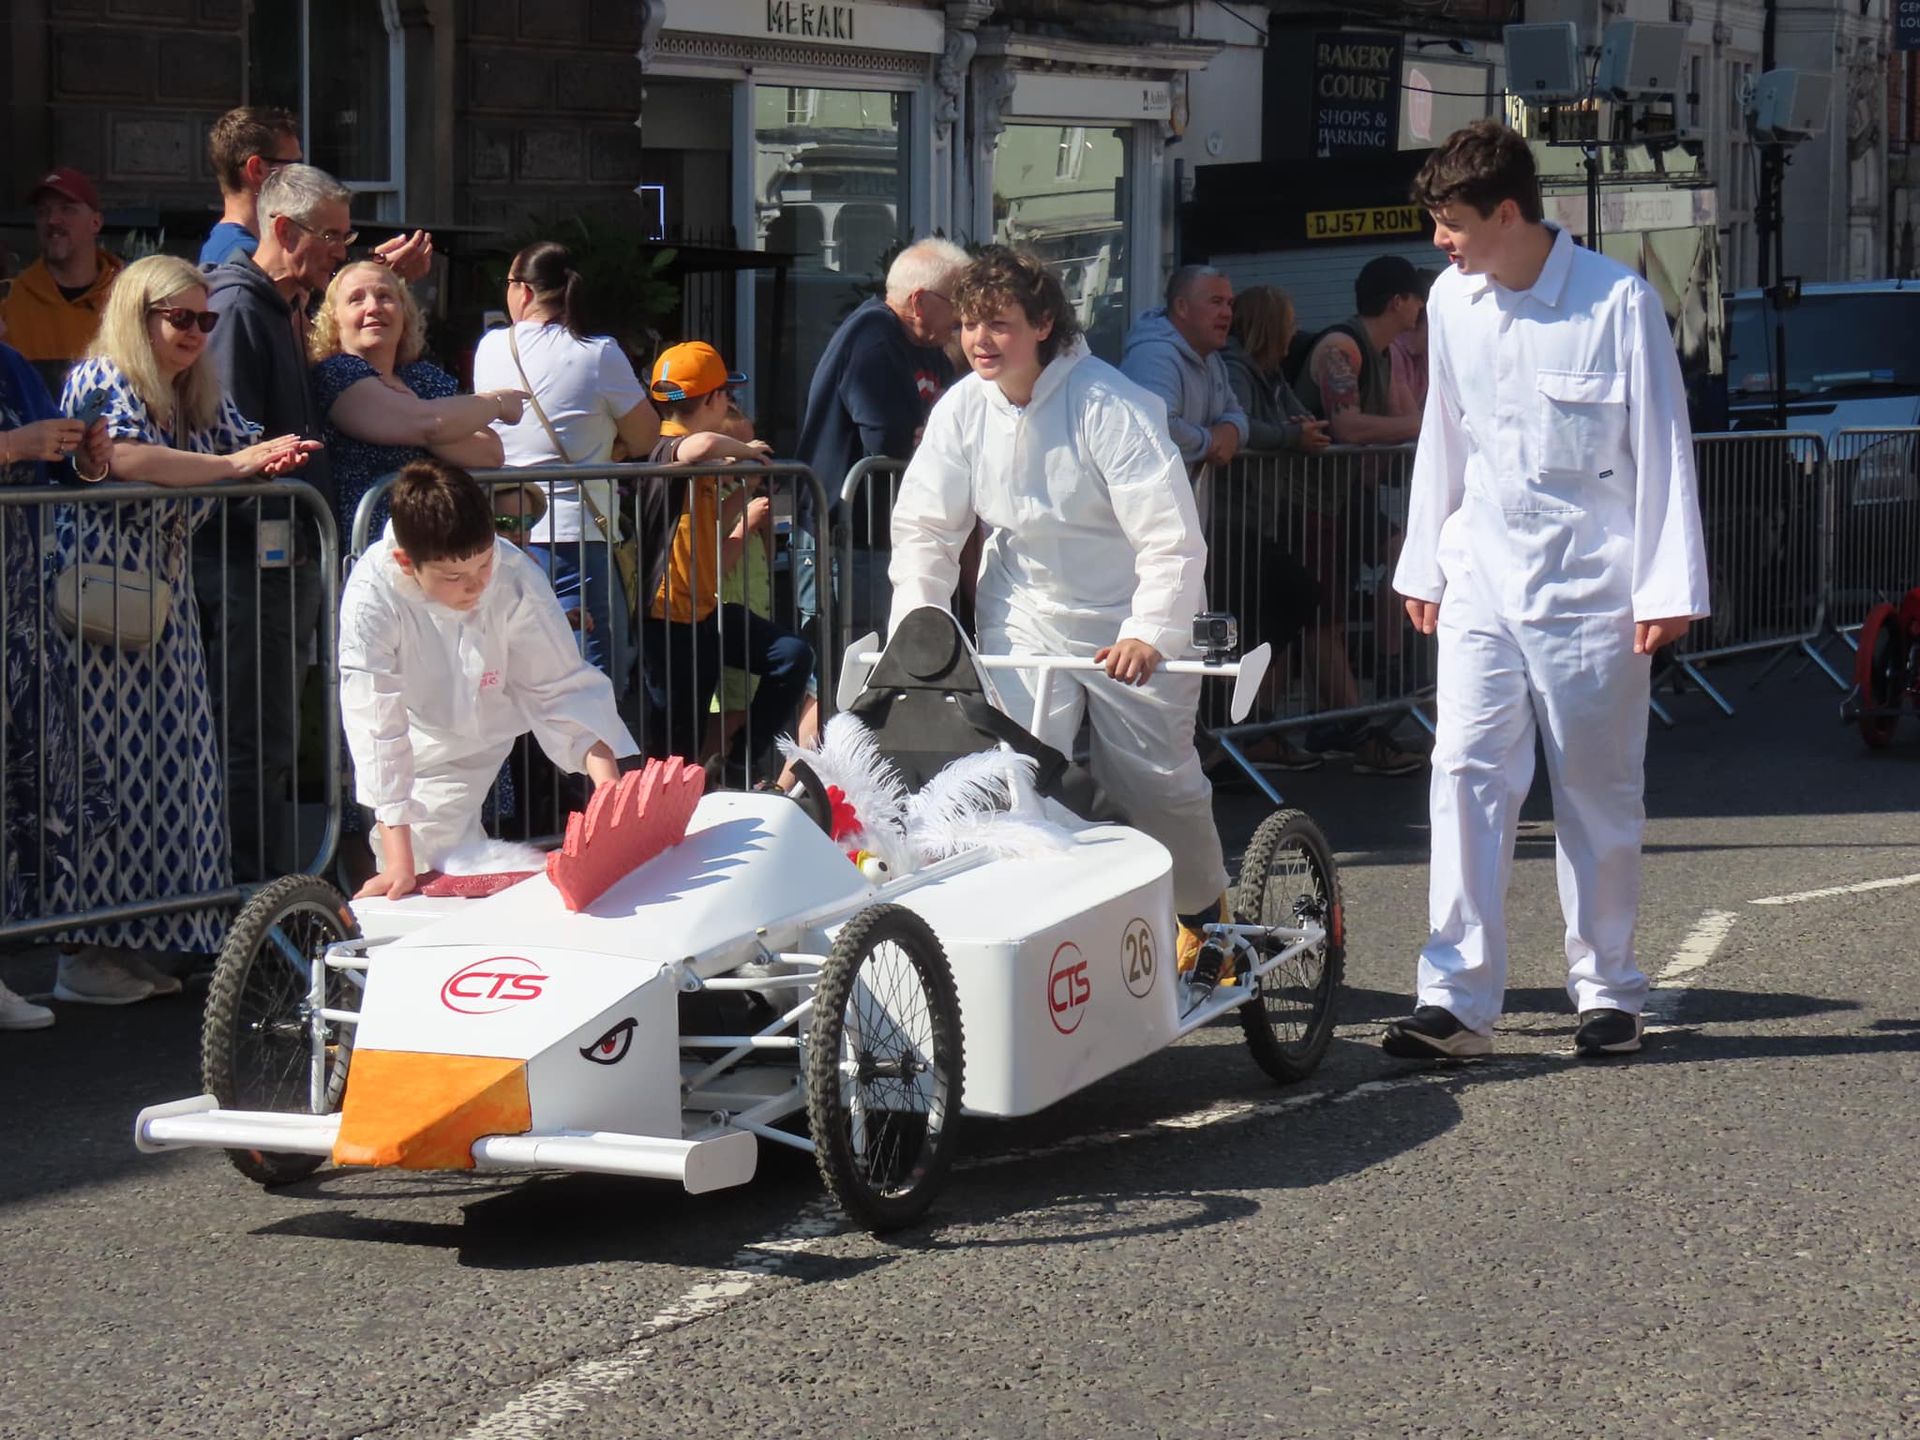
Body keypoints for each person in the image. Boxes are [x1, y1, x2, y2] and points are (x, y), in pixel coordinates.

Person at [1384, 120, 1709, 1062]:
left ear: (1510, 213)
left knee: (1596, 790)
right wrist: (1424, 563)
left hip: (1593, 585)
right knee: (1464, 777)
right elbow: (1444, 436)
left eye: (1451, 221)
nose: (1439, 241)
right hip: (1484, 568)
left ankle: (1608, 989)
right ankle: (1454, 998)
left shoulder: (1618, 303)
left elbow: (1661, 446)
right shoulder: (1451, 303)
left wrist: (1667, 585)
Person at [889, 246, 1230, 972]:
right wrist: (917, 631)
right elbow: (925, 529)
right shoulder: (962, 409)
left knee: (1154, 784)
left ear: (1044, 324)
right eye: (972, 324)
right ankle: (1042, 934)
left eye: (1001, 324)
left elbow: (1170, 537)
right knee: (1014, 778)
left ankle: (1202, 910)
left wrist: (1146, 630)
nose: (981, 340)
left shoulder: (1112, 406)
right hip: (1025, 611)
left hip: (1125, 614)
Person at [51, 255, 317, 1005]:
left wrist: (270, 458)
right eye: (182, 318)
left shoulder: (195, 389)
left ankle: (128, 941)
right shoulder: (104, 378)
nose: (199, 332)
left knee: (163, 773)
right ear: (141, 316)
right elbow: (126, 458)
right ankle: (82, 954)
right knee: (97, 774)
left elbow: (245, 448)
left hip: (159, 605)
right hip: (94, 605)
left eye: (206, 319)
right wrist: (238, 463)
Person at [341, 459, 639, 898]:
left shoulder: (514, 574)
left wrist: (610, 795)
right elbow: (377, 726)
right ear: (406, 562)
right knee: (424, 878)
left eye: (483, 566)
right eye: (454, 577)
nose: (475, 585)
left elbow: (561, 686)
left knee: (465, 876)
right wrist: (400, 861)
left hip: (494, 711)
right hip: (424, 740)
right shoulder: (371, 597)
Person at [199, 162, 350, 880]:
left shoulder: (282, 307)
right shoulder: (236, 307)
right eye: (331, 237)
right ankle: (245, 906)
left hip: (283, 561)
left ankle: (256, 901)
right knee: (254, 738)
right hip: (249, 565)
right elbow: (231, 442)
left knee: (273, 735)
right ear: (283, 230)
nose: (342, 252)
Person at [1220, 285, 1424, 779]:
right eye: (1287, 321)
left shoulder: (1267, 374)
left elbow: (1306, 421)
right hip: (1260, 514)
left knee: (1295, 618)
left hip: (1287, 509)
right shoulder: (1242, 369)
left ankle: (1266, 726)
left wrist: (1299, 430)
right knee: (1301, 615)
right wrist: (1293, 436)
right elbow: (1259, 427)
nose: (1295, 331)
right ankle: (1324, 725)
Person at [471, 241, 660, 686]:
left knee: (514, 668)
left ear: (522, 290)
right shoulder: (599, 353)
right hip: (575, 533)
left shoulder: (491, 347)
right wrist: (610, 444)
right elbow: (647, 436)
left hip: (505, 528)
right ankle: (586, 758)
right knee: (590, 669)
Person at [0, 312, 113, 1029]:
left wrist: (87, 454)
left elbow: (62, 469)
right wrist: (11, 445)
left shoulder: (9, 362)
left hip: (16, 612)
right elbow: (21, 447)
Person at [638, 342, 812, 783]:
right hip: (669, 621)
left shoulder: (697, 459)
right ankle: (668, 827)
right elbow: (696, 448)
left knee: (791, 656)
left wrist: (745, 485)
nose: (729, 403)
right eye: (726, 395)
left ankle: (739, 762)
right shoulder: (665, 449)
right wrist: (746, 450)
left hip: (705, 612)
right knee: (674, 751)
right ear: (714, 399)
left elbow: (708, 521)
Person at [793, 236, 966, 637]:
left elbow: (943, 429)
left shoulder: (931, 350)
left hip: (884, 536)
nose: (962, 316)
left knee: (877, 665)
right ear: (920, 301)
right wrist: (928, 437)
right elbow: (889, 438)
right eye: (956, 301)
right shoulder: (873, 334)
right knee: (843, 671)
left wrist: (932, 436)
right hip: (845, 537)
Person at [309, 259, 519, 544]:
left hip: (439, 545)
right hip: (374, 549)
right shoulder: (336, 374)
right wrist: (496, 403)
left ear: (404, 312)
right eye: (356, 299)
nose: (373, 307)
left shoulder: (420, 375)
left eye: (385, 296)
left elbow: (490, 450)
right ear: (335, 318)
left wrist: (419, 422)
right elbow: (427, 424)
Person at [200, 106, 433, 280]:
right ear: (257, 169)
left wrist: (373, 268)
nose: (303, 175)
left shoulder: (230, 245)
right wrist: (378, 275)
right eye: (293, 165)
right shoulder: (241, 258)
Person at [1119, 265, 1248, 492]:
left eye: (1230, 304)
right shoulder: (1153, 356)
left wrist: (1232, 430)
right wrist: (1209, 442)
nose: (1227, 313)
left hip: (1180, 516)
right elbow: (1155, 428)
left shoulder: (1212, 359)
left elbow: (1237, 413)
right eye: (1216, 302)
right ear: (1182, 307)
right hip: (1148, 515)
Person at [0, 168, 124, 378]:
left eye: (67, 209)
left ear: (96, 222)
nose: (53, 220)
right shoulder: (8, 302)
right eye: (43, 211)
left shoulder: (129, 298)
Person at [1295, 255, 1429, 446]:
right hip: (1309, 474)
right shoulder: (1341, 347)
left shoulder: (1385, 350)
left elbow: (1404, 415)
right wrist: (1426, 424)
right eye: (1417, 298)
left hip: (1343, 475)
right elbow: (1347, 428)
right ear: (1397, 302)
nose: (1421, 305)